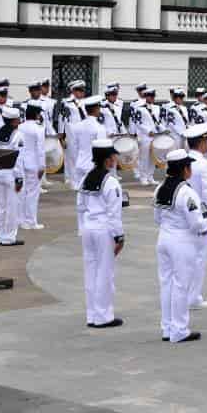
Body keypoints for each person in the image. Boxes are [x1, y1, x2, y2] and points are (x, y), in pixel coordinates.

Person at [154, 149, 207, 342]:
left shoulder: (160, 188)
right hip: (181, 241)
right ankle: (179, 329)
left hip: (163, 238)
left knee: (166, 284)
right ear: (185, 170)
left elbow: (157, 218)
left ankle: (167, 327)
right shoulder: (186, 193)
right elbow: (196, 224)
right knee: (181, 285)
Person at [77, 138, 125, 329]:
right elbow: (114, 214)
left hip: (88, 228)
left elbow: (80, 207)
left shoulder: (85, 178)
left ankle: (92, 314)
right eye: (113, 156)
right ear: (107, 160)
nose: (115, 159)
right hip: (104, 230)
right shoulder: (111, 182)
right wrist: (119, 236)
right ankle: (103, 316)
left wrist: (82, 228)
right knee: (105, 273)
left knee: (91, 272)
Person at [183, 123, 207, 310]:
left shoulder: (182, 160)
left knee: (186, 258)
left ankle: (186, 294)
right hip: (199, 216)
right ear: (202, 142)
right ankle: (193, 297)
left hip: (183, 215)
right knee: (199, 258)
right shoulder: (204, 165)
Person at [0, 108, 25, 247]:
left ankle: (0, 234)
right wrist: (19, 178)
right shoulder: (17, 136)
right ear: (15, 120)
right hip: (11, 173)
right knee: (12, 206)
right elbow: (18, 159)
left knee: (1, 206)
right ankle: (9, 237)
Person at [17, 104, 47, 230]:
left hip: (21, 162)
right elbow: (40, 149)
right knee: (33, 193)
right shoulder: (38, 128)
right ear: (36, 114)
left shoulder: (20, 126)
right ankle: (31, 221)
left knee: (22, 192)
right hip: (34, 163)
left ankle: (22, 220)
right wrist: (42, 167)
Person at [69, 96, 108, 188]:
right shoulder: (99, 127)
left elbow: (74, 147)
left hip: (80, 163)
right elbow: (101, 150)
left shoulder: (77, 126)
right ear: (96, 109)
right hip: (93, 166)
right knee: (93, 196)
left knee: (81, 195)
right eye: (99, 108)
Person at [131, 86, 161, 187]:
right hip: (145, 136)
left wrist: (163, 129)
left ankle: (150, 176)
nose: (152, 98)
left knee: (153, 157)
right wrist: (148, 131)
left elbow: (158, 122)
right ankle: (143, 177)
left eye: (153, 96)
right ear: (145, 97)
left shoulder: (157, 108)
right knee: (144, 157)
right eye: (150, 96)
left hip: (155, 135)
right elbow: (138, 123)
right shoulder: (140, 109)